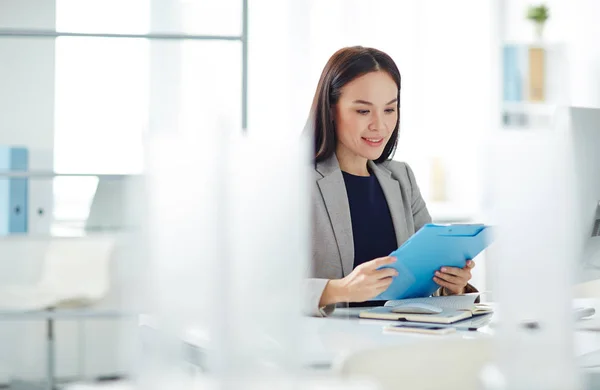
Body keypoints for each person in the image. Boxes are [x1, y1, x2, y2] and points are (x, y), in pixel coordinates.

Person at [305, 46, 477, 317]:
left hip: (399, 342)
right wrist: (339, 289)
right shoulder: (296, 184)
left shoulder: (401, 178)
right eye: (363, 111)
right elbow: (262, 288)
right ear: (330, 109)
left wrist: (451, 285)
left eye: (389, 110)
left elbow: (426, 277)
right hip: (328, 347)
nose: (380, 125)